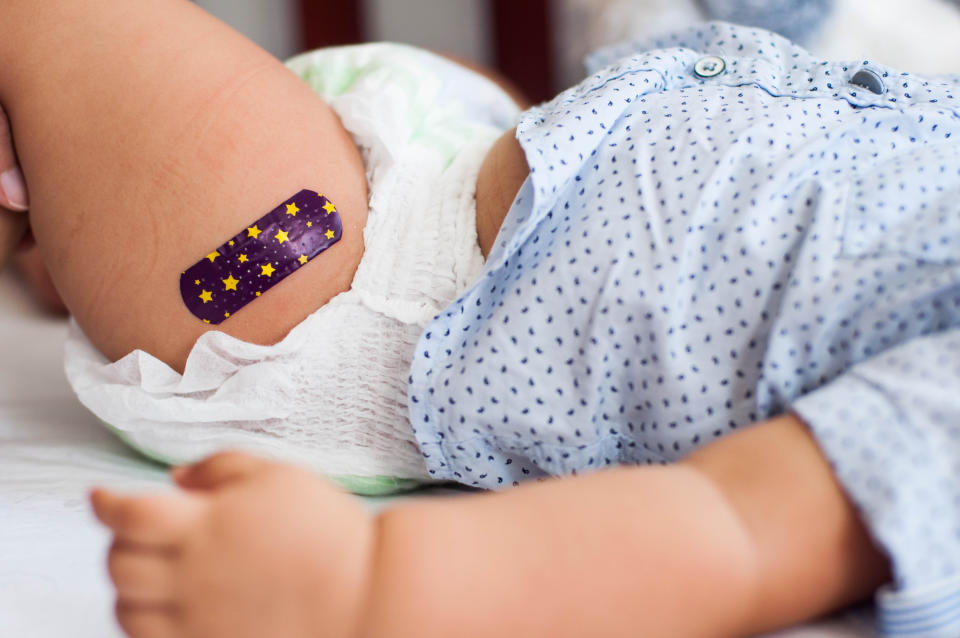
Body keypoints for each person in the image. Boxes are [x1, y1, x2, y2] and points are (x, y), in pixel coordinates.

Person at [4, 2, 960, 637]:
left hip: (345, 283)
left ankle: (100, 228)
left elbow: (732, 534)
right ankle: (74, 229)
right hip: (485, 128)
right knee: (76, 153)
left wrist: (365, 585)